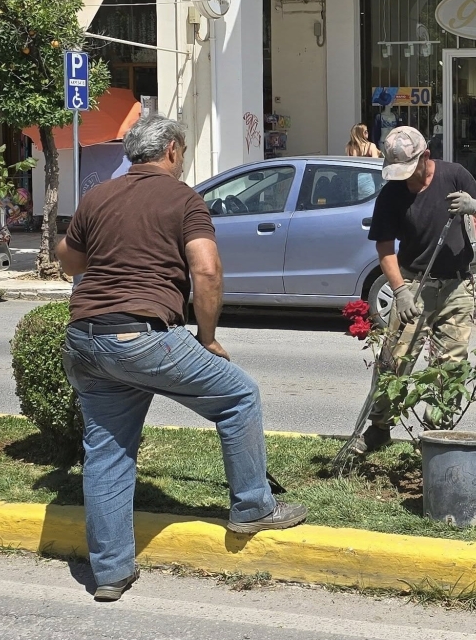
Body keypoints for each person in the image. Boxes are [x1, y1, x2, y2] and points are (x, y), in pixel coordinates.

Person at [56, 114, 307, 603]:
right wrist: (207, 336)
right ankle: (253, 506)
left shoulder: (98, 197)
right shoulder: (184, 198)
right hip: (142, 335)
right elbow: (207, 272)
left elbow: (69, 260)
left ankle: (110, 573)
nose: (184, 157)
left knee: (108, 451)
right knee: (238, 395)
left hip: (85, 339)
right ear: (171, 150)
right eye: (184, 149)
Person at [348, 125, 476, 455]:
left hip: (457, 285)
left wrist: (473, 205)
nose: (405, 178)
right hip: (414, 284)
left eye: (410, 169)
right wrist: (399, 290)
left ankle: (434, 434)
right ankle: (380, 428)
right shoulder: (393, 193)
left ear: (425, 156)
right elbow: (385, 248)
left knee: (450, 364)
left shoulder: (454, 175)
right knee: (394, 360)